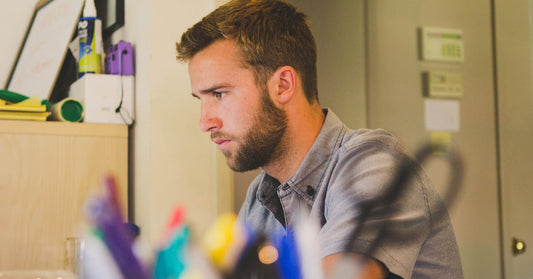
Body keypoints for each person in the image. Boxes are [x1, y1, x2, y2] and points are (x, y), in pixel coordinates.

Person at [176, 0, 463, 278]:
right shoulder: (260, 198)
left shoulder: (375, 163)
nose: (205, 122)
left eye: (219, 94)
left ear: (283, 85)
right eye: (200, 99)